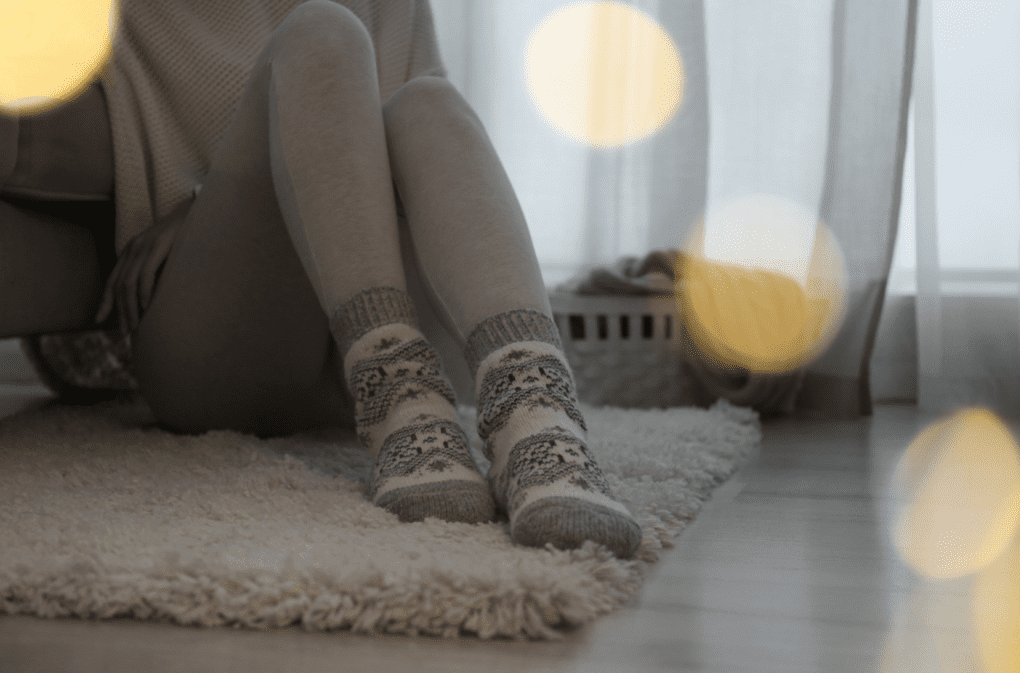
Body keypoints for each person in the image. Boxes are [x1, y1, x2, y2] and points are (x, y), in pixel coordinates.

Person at [0, 0, 641, 558]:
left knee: (428, 100)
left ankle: (535, 418)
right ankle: (397, 393)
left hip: (385, 330)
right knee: (321, 32)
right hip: (223, 338)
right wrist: (204, 201)